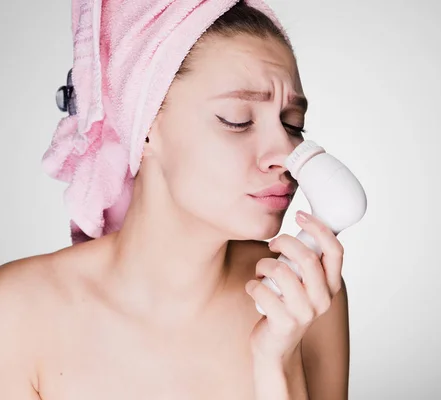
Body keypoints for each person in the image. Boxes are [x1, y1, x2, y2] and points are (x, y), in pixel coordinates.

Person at [0, 2, 349, 399]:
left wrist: (277, 361)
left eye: (292, 124)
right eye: (238, 119)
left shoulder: (307, 299)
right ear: (144, 126)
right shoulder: (15, 314)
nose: (285, 152)